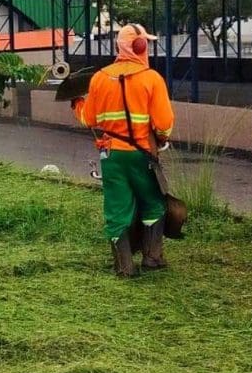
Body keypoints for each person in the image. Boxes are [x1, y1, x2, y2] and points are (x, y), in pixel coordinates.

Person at [71, 24, 175, 277]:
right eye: (145, 43)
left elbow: (88, 119)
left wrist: (77, 102)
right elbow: (164, 123)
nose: (147, 47)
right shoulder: (151, 78)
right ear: (138, 46)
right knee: (154, 204)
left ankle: (124, 267)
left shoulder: (99, 78)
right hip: (142, 156)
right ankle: (152, 257)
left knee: (116, 210)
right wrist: (159, 140)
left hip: (111, 156)